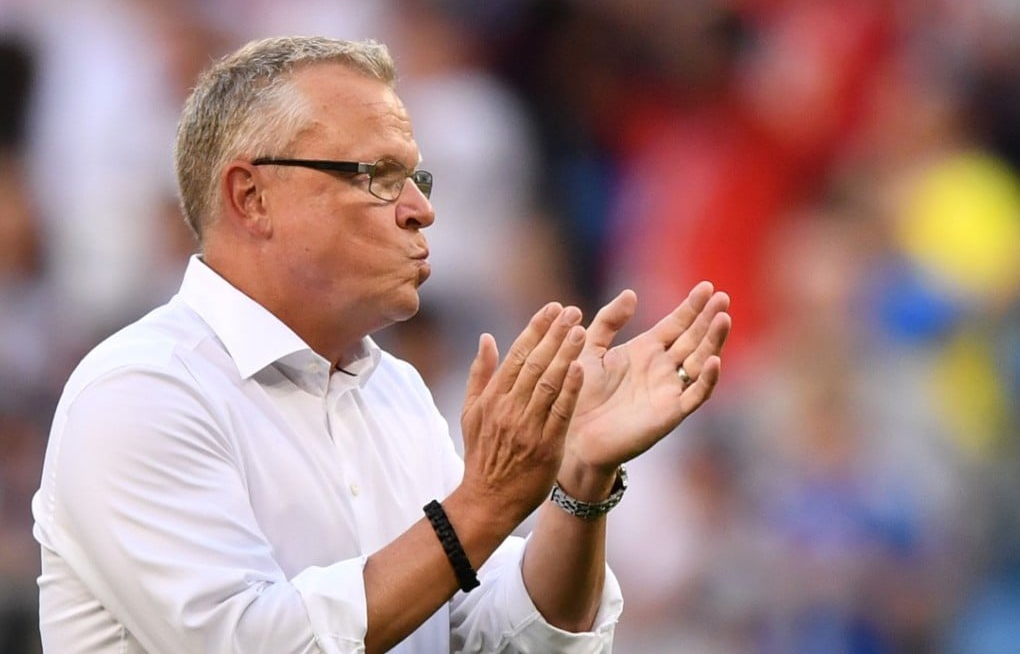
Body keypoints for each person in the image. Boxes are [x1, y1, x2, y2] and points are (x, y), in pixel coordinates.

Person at [31, 36, 732, 653]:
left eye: (416, 179)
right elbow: (251, 645)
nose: (422, 209)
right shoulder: (141, 392)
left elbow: (498, 639)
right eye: (378, 177)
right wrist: (483, 505)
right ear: (251, 197)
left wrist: (580, 484)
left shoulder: (392, 391)